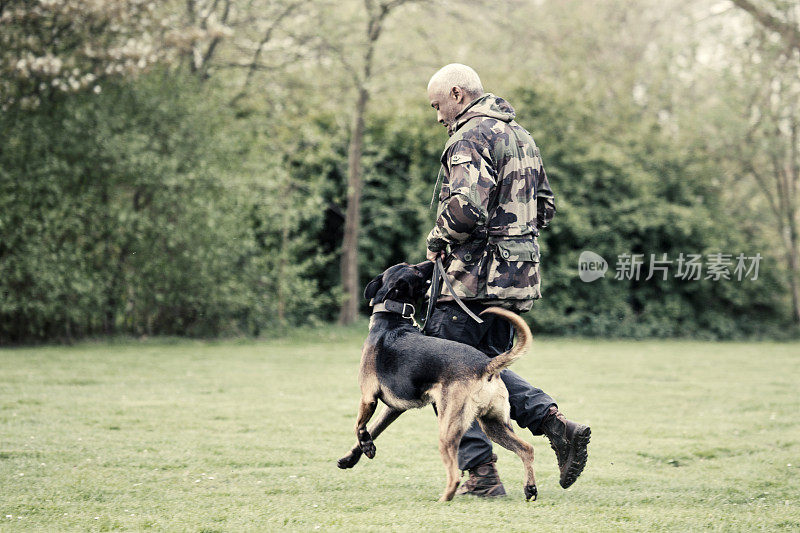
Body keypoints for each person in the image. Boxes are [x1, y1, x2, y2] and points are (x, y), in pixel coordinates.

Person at [423, 63, 590, 497]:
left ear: (458, 94)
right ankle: (556, 425)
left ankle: (481, 474)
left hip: (474, 279)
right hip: (518, 276)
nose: (438, 117)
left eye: (438, 105)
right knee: (483, 367)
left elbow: (465, 208)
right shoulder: (521, 136)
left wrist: (437, 238)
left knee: (446, 373)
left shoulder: (470, 135)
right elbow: (545, 207)